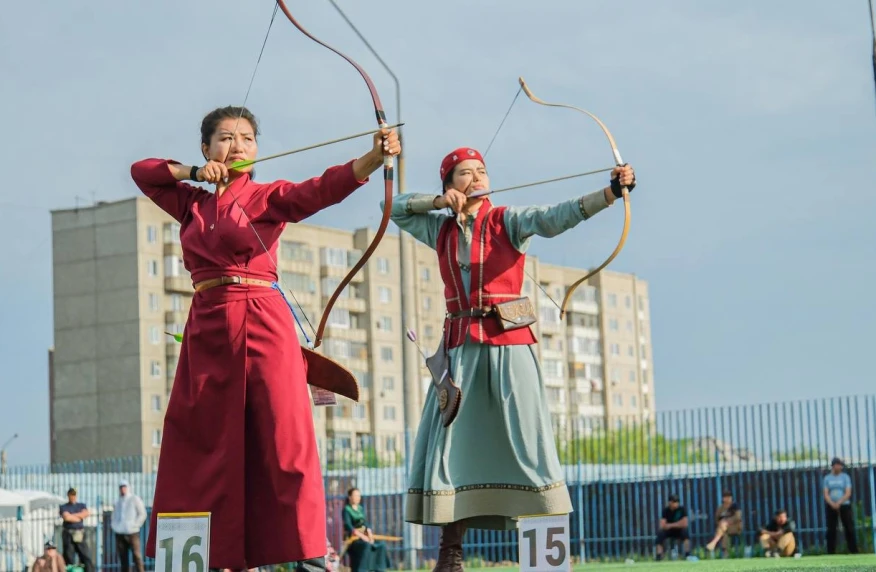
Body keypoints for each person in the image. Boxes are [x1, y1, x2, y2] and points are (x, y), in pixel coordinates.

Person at [131, 105, 400, 571]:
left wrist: (372, 159)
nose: (238, 146)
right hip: (207, 327)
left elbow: (320, 190)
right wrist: (195, 173)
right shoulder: (191, 202)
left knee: (284, 438)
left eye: (247, 139)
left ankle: (311, 558)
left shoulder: (269, 196)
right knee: (201, 443)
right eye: (226, 139)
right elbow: (144, 173)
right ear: (206, 148)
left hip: (262, 321)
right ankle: (222, 558)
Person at [384, 146, 636, 570]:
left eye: (481, 170)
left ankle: (545, 560)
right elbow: (392, 207)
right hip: (460, 349)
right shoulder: (439, 230)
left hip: (510, 345)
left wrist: (610, 192)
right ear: (450, 186)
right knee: (451, 446)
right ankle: (451, 555)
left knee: (529, 439)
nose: (477, 176)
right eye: (465, 173)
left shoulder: (507, 220)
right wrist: (436, 203)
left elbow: (557, 216)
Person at [342, 487, 391, 572]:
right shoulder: (346, 510)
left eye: (359, 496)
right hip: (354, 539)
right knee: (366, 545)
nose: (358, 498)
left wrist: (369, 534)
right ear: (350, 497)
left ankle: (379, 568)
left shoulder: (360, 508)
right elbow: (348, 526)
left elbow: (365, 523)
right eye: (355, 495)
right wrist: (362, 536)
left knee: (381, 545)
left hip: (364, 536)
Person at [823, 457, 858, 554]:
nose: (840, 467)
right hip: (831, 505)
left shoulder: (845, 477)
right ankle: (831, 552)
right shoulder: (827, 478)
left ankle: (853, 551)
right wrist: (832, 503)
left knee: (849, 527)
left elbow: (848, 492)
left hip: (844, 505)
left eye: (840, 465)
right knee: (831, 529)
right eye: (838, 465)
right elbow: (826, 493)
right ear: (833, 466)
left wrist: (839, 502)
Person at [111, 479, 147, 572]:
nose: (123, 489)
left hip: (132, 533)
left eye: (124, 487)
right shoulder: (117, 501)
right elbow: (114, 516)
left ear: (128, 488)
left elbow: (142, 514)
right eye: (121, 487)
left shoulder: (134, 499)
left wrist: (135, 525)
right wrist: (115, 527)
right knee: (123, 559)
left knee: (137, 556)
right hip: (120, 533)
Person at [58, 487, 95, 572]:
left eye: (74, 495)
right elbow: (66, 517)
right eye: (71, 495)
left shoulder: (81, 505)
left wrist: (72, 516)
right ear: (68, 495)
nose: (73, 497)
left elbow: (86, 513)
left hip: (80, 533)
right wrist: (79, 516)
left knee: (85, 556)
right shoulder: (64, 506)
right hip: (68, 534)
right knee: (68, 557)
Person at [705, 490, 742, 556]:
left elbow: (738, 517)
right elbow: (717, 519)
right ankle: (725, 555)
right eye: (725, 497)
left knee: (723, 524)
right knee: (724, 534)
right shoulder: (720, 508)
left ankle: (713, 542)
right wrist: (721, 523)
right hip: (724, 528)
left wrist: (728, 521)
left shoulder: (735, 506)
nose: (727, 499)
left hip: (735, 526)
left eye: (729, 497)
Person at [655, 494, 691, 561]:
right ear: (670, 502)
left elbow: (685, 523)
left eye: (677, 502)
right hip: (668, 531)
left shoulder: (681, 510)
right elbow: (662, 525)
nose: (676, 503)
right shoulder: (665, 511)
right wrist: (678, 523)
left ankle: (687, 554)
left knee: (685, 533)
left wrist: (670, 525)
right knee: (660, 535)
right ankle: (659, 556)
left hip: (679, 530)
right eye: (674, 502)